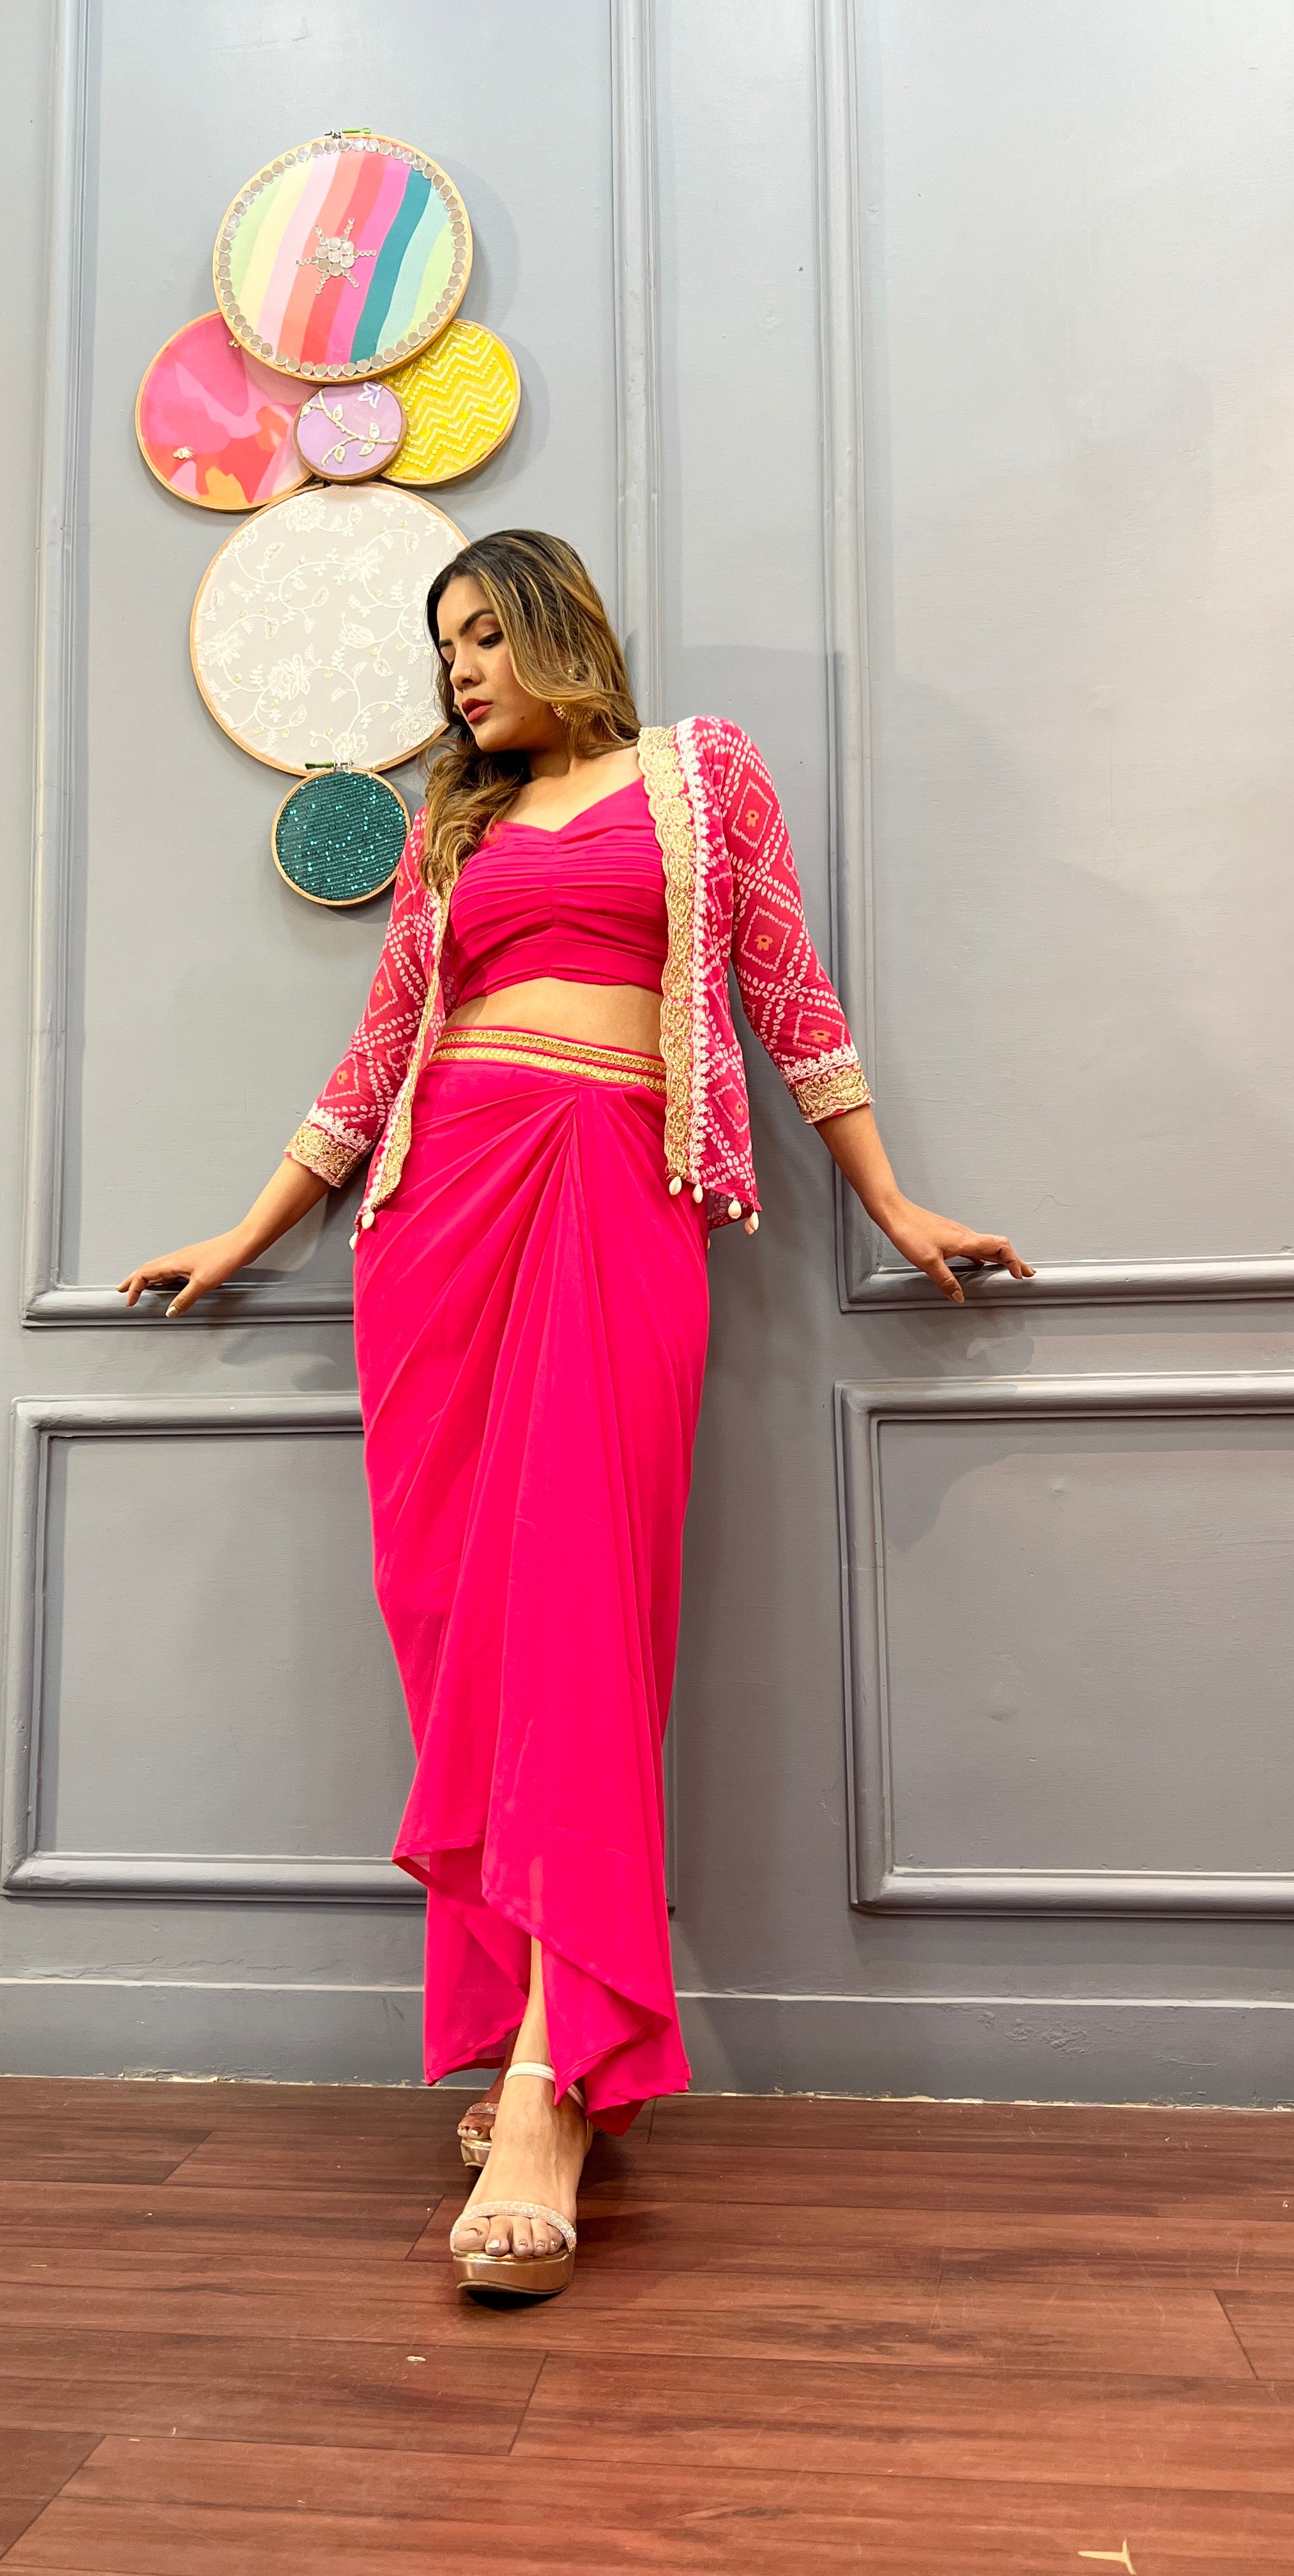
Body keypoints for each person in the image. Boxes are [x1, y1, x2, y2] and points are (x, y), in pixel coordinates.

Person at [120, 529, 1033, 2300]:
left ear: (559, 628)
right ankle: (543, 2026)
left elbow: (786, 994)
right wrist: (246, 1233)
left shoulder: (700, 776)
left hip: (614, 1196)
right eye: (442, 647)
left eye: (483, 635)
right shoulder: (450, 830)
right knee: (461, 1630)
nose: (459, 673)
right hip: (435, 1222)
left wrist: (889, 1199)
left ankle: (555, 2081)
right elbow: (378, 1051)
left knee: (580, 1618)